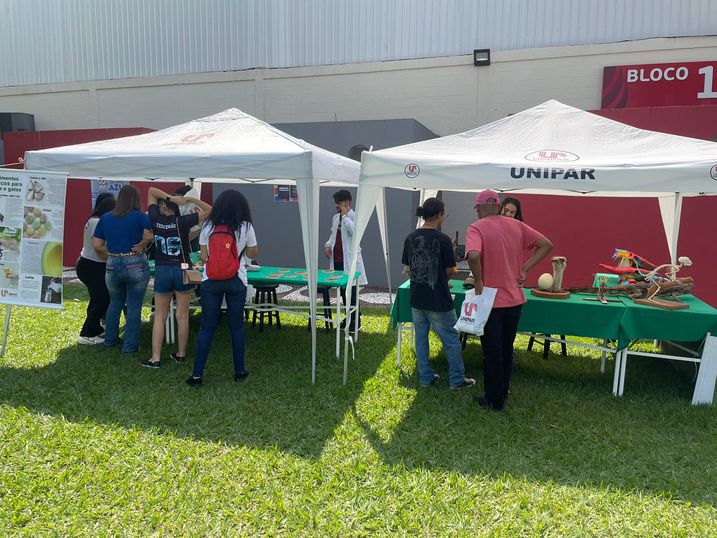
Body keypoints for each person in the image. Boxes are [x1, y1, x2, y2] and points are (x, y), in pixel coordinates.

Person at [466, 189, 553, 411]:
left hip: (491, 301)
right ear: (498, 206)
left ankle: (494, 400)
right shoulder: (517, 226)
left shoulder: (476, 228)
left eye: (476, 208)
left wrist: (478, 280)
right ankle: (502, 392)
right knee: (506, 348)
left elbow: (473, 255)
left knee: (492, 351)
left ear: (479, 207)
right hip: (515, 299)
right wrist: (525, 268)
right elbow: (546, 244)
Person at [401, 198, 475, 390]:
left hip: (417, 297)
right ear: (440, 215)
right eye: (445, 213)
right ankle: (457, 380)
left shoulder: (410, 237)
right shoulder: (443, 240)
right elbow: (451, 270)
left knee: (421, 338)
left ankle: (425, 377)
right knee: (450, 339)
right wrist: (442, 279)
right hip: (438, 299)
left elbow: (408, 268)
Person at [186, 189, 258, 387]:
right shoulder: (245, 226)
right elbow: (252, 253)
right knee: (237, 327)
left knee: (207, 327)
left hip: (210, 281)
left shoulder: (209, 225)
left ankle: (197, 375)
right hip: (237, 280)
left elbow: (203, 256)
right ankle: (239, 371)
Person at [141, 187, 211, 369]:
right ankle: (181, 353)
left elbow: (151, 190)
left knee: (160, 316)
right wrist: (188, 200)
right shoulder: (183, 221)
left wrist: (169, 197)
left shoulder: (155, 218)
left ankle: (155, 358)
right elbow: (210, 210)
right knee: (182, 315)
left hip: (162, 269)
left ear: (163, 206)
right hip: (182, 269)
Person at [93, 185, 153, 354]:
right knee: (134, 305)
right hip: (135, 262)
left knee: (115, 302)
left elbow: (97, 245)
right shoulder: (140, 217)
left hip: (112, 262)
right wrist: (145, 242)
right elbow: (157, 232)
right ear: (136, 199)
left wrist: (112, 255)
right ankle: (130, 347)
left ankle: (110, 341)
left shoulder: (105, 218)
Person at [323, 189, 367, 331]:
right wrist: (328, 245)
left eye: (339, 203)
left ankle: (356, 320)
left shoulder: (356, 217)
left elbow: (356, 233)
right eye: (335, 204)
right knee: (342, 291)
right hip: (337, 260)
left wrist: (345, 217)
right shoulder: (336, 218)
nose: (336, 206)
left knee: (352, 292)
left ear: (347, 203)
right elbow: (333, 235)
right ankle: (348, 317)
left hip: (350, 260)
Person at [76, 194, 116, 344]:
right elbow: (98, 247)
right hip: (91, 265)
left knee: (96, 299)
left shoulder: (92, 219)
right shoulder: (97, 222)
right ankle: (86, 333)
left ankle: (94, 329)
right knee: (104, 299)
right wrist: (112, 258)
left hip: (90, 265)